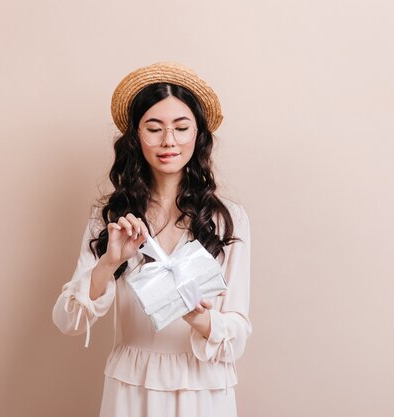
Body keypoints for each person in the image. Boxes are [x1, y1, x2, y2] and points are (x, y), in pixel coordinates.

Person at [52, 62, 251, 417]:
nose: (168, 141)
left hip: (204, 389)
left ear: (198, 134)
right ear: (135, 137)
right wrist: (109, 263)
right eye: (154, 128)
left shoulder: (226, 218)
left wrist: (199, 318)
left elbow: (236, 331)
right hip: (133, 388)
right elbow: (69, 322)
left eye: (181, 127)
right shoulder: (113, 218)